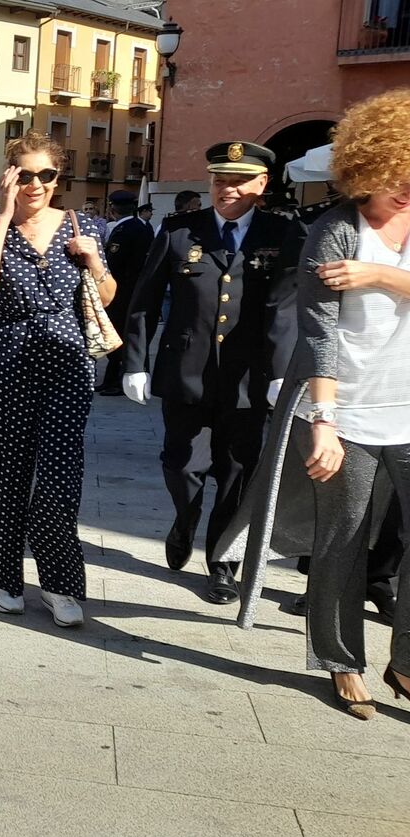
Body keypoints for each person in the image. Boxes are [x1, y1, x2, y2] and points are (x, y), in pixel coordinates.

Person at [221, 88, 410, 719]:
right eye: (395, 177)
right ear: (367, 169)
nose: (406, 188)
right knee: (344, 536)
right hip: (349, 408)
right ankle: (341, 661)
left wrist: (382, 275)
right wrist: (323, 423)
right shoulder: (334, 231)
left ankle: (405, 660)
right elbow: (319, 333)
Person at [122, 141, 302, 606]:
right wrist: (135, 364)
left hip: (248, 377)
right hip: (186, 372)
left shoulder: (283, 234)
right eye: (221, 180)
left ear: (261, 184)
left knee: (237, 472)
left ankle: (223, 564)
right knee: (182, 464)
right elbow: (143, 303)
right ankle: (185, 517)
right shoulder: (180, 231)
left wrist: (281, 370)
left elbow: (285, 308)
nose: (228, 189)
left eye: (240, 181)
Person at [0, 133, 115, 628]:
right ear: (9, 177)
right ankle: (6, 578)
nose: (35, 184)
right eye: (24, 175)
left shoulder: (85, 225)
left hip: (68, 365)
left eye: (45, 175)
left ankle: (58, 584)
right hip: (8, 362)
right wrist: (4, 217)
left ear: (58, 178)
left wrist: (92, 259)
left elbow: (108, 295)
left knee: (58, 479)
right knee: (4, 474)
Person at [96, 190, 157, 395]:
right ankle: (120, 378)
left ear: (112, 209)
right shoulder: (144, 226)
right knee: (133, 334)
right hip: (139, 289)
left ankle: (116, 380)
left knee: (118, 334)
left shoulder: (123, 229)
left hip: (121, 291)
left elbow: (113, 261)